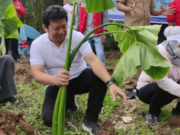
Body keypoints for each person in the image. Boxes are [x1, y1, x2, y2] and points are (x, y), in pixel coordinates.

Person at [30, 5, 126, 135]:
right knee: (50, 120)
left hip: (79, 78)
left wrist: (110, 82)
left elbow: (93, 60)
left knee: (98, 77)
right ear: (45, 27)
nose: (62, 31)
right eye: (56, 28)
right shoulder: (37, 44)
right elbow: (37, 74)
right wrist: (55, 79)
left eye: (64, 26)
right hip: (56, 83)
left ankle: (90, 120)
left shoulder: (77, 37)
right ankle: (69, 100)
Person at [116, 0, 175, 99]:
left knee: (145, 58)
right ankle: (129, 87)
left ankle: (141, 86)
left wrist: (160, 12)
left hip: (146, 30)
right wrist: (129, 9)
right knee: (130, 58)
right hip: (132, 30)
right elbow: (119, 5)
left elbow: (151, 10)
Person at [136, 26, 180, 126]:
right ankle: (152, 113)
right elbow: (162, 81)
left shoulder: (178, 55)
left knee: (168, 88)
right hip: (147, 89)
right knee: (162, 88)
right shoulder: (159, 52)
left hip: (169, 86)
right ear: (173, 43)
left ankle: (177, 112)